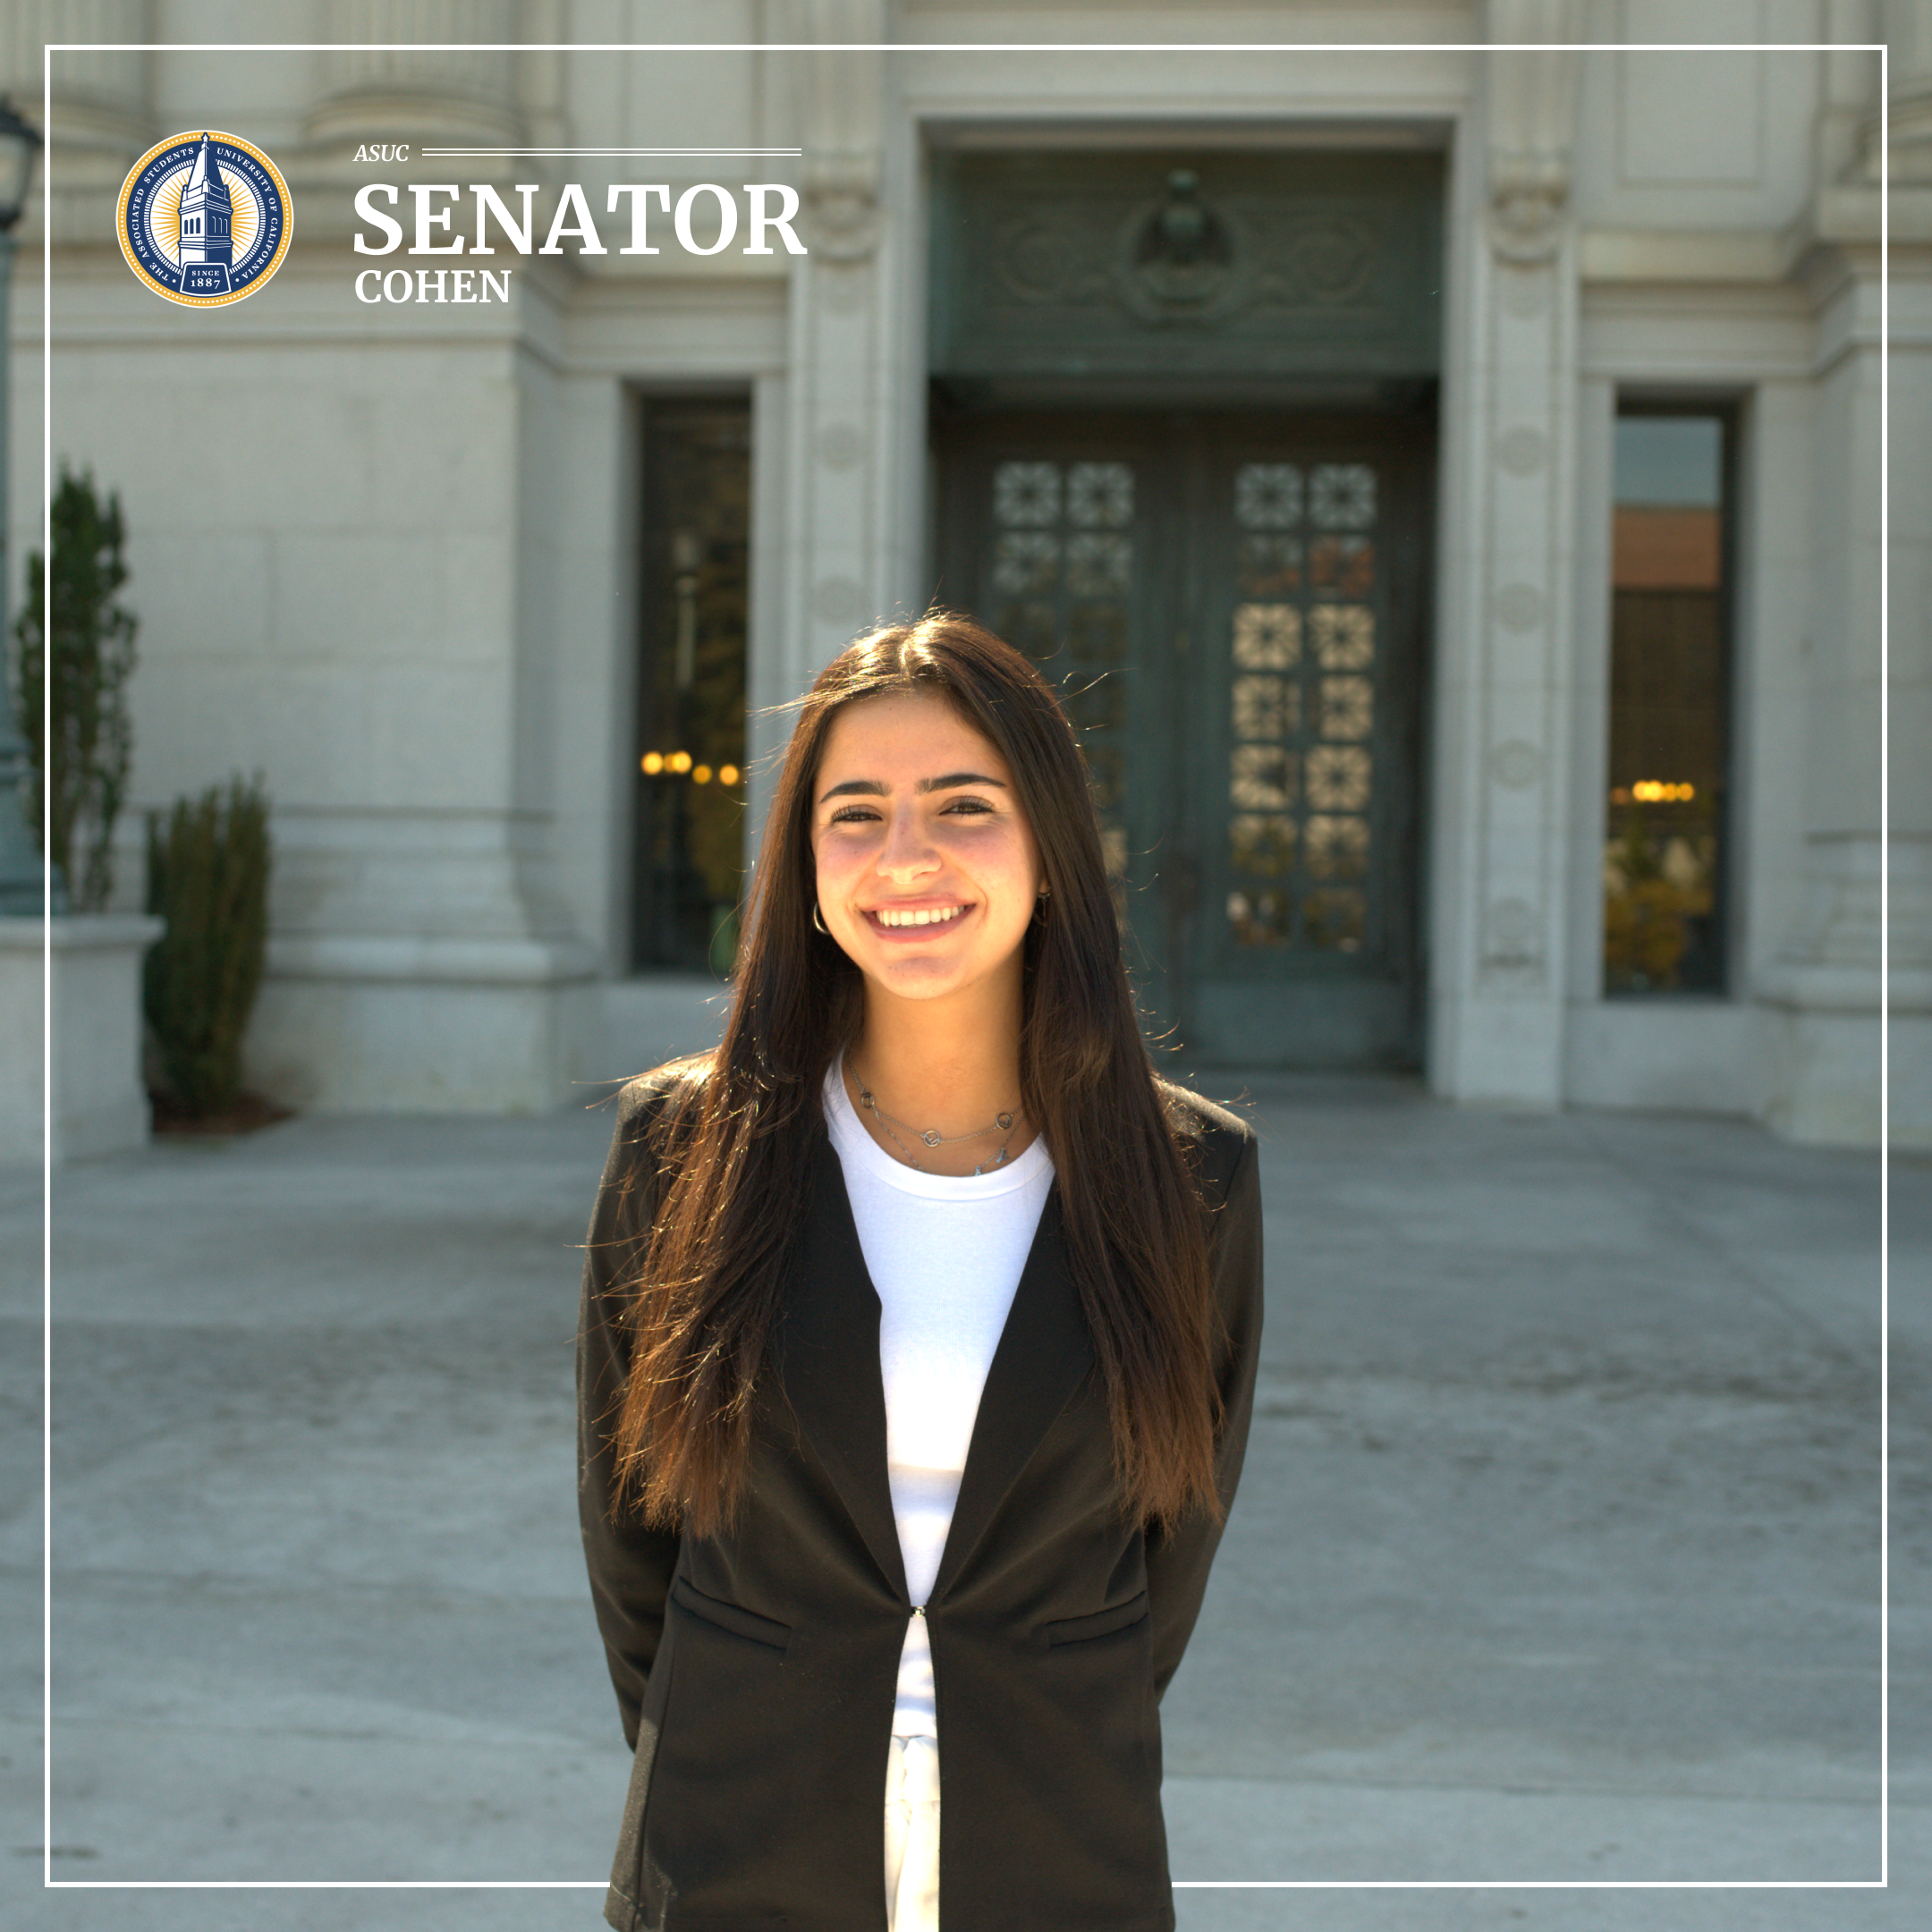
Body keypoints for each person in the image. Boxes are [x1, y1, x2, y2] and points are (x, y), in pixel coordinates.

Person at [577, 612, 1263, 1932]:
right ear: (804, 860)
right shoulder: (681, 1147)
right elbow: (631, 1537)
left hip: (1059, 1848)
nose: (907, 857)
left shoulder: (1196, 1180)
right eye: (856, 814)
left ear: (1052, 848)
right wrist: (723, 1745)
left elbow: (1170, 1550)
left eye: (962, 806)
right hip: (736, 1852)